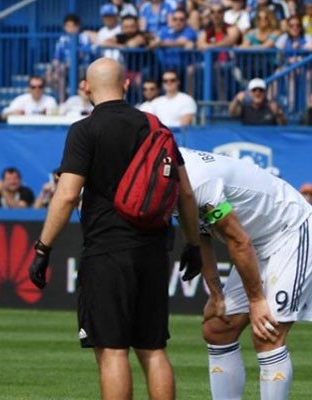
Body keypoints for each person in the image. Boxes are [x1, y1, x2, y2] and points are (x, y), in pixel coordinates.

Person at [28, 57, 202, 400]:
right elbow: (185, 193)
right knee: (153, 349)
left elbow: (67, 195)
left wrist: (43, 248)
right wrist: (193, 244)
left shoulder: (85, 129)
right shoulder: (155, 126)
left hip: (107, 250)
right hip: (154, 249)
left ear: (86, 88)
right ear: (126, 84)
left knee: (112, 349)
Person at [178, 147, 312, 400]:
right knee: (217, 328)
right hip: (258, 243)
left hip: (293, 231)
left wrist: (257, 300)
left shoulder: (197, 180)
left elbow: (239, 241)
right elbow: (199, 235)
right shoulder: (167, 177)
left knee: (267, 332)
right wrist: (216, 295)